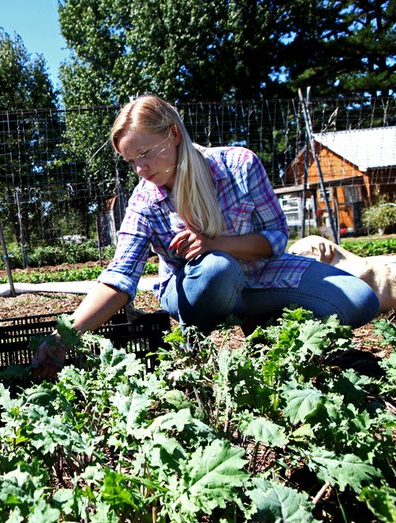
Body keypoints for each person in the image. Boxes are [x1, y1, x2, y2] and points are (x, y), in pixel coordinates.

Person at [32, 94, 379, 377]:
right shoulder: (145, 201)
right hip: (197, 290)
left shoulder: (239, 166)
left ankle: (261, 321)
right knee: (216, 269)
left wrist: (217, 243)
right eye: (130, 161)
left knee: (360, 298)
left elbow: (275, 238)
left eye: (144, 154)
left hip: (260, 275)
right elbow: (119, 278)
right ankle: (203, 339)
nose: (140, 169)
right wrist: (65, 334)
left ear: (174, 133)